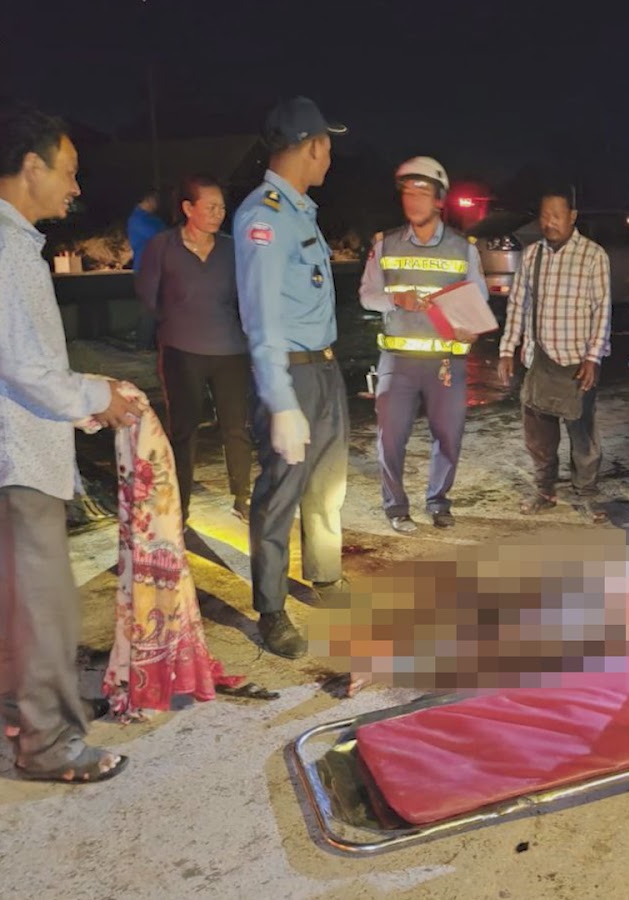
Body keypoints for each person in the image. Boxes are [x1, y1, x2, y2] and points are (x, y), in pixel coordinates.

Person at [0, 107, 143, 783]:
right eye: (69, 171)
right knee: (41, 607)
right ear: (32, 167)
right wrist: (97, 397)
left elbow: (17, 360)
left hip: (1, 452)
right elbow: (23, 366)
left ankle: (29, 711)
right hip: (14, 455)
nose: (76, 188)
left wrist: (84, 402)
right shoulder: (3, 246)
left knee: (18, 605)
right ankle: (50, 744)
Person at [232, 96, 350, 659]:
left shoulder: (301, 211)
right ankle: (272, 607)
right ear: (313, 146)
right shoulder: (265, 216)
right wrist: (280, 403)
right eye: (328, 145)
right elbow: (261, 320)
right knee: (280, 493)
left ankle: (324, 575)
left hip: (324, 368)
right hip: (293, 376)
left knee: (326, 484)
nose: (331, 157)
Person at [359, 156, 486, 534]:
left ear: (439, 200)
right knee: (390, 438)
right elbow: (367, 294)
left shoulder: (464, 248)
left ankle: (438, 501)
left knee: (448, 436)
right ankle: (396, 506)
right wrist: (395, 299)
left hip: (446, 361)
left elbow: (478, 300)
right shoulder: (385, 244)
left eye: (422, 192)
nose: (413, 200)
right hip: (397, 361)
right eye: (407, 192)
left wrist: (471, 328)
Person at [134, 174, 252, 525]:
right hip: (182, 351)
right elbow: (148, 296)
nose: (218, 214)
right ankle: (180, 506)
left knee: (236, 427)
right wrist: (172, 324)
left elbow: (245, 296)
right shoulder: (162, 247)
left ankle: (242, 496)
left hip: (230, 350)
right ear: (188, 208)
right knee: (184, 431)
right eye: (210, 207)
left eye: (222, 208)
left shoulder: (232, 249)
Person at [496, 187, 612, 518]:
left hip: (578, 363)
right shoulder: (532, 255)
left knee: (583, 434)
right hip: (539, 361)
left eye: (556, 215)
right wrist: (507, 349)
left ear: (572, 217)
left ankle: (586, 493)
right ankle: (545, 491)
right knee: (539, 436)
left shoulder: (593, 255)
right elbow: (518, 304)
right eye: (544, 216)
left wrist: (593, 357)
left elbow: (602, 310)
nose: (549, 222)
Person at [128, 189, 167, 350]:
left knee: (159, 308)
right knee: (149, 309)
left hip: (159, 268)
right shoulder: (137, 219)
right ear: (148, 200)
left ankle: (155, 343)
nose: (157, 204)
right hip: (145, 269)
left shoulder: (152, 219)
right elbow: (160, 237)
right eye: (155, 200)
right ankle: (143, 345)